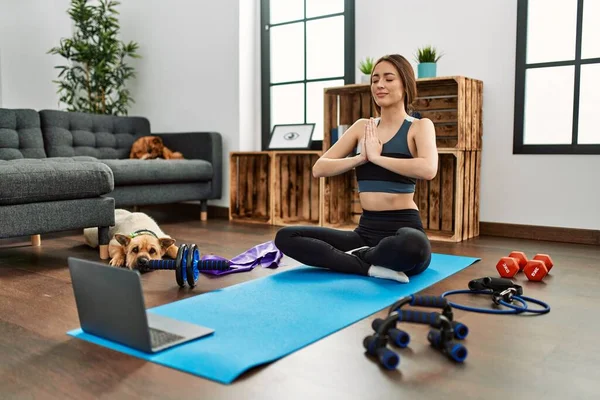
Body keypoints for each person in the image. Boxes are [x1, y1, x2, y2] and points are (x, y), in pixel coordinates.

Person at [274, 54, 438, 283]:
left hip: (404, 229)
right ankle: (367, 267)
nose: (380, 85)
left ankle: (360, 258)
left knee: (413, 246)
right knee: (286, 236)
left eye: (389, 79)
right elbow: (319, 168)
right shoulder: (363, 127)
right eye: (375, 79)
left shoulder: (419, 126)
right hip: (365, 232)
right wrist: (360, 158)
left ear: (405, 84)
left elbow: (428, 168)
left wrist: (377, 158)